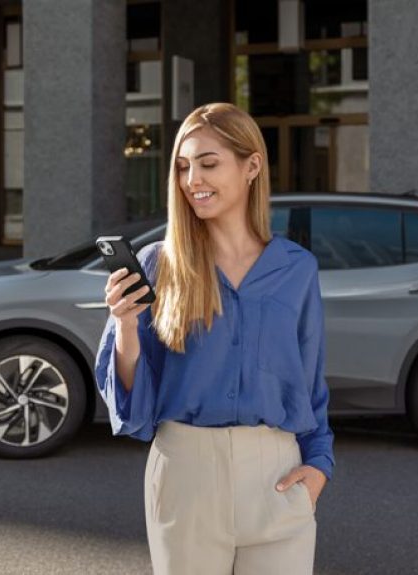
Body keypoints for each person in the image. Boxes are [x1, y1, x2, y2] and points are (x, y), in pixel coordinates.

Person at [94, 102, 335, 575]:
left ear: (252, 166)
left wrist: (320, 468)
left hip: (278, 476)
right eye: (183, 167)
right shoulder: (159, 264)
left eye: (208, 164)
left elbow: (309, 384)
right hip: (187, 473)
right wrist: (124, 325)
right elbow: (133, 396)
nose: (192, 181)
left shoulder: (296, 269)